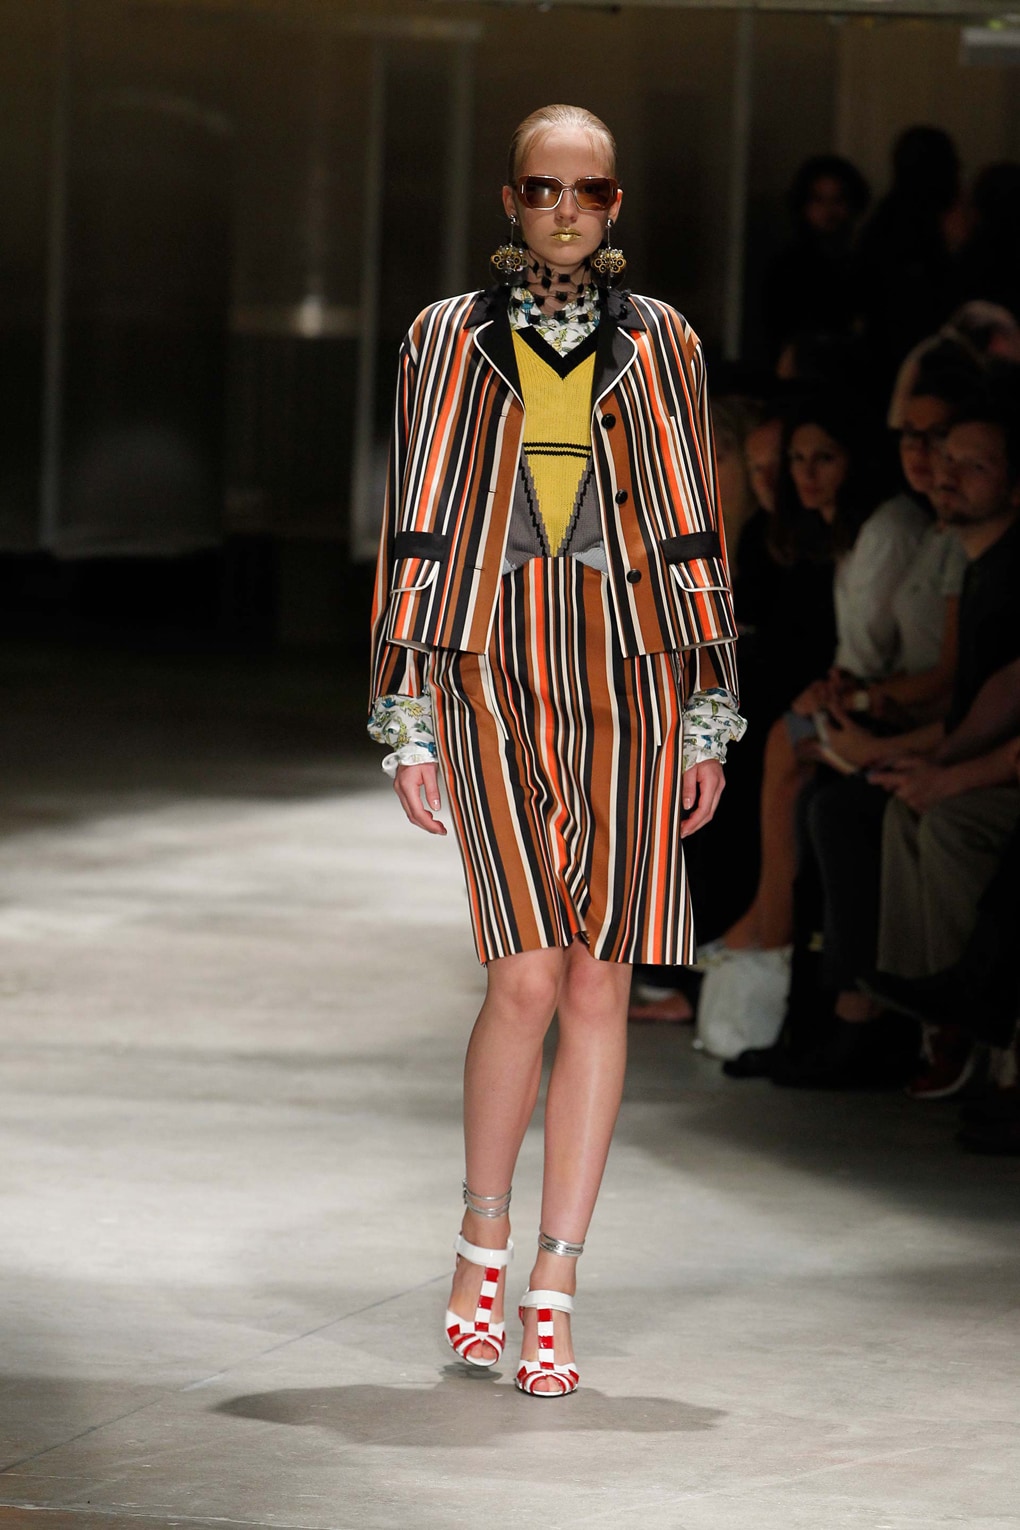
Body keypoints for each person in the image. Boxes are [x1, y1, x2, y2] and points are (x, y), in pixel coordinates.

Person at [368, 105, 744, 1397]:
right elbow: (417, 514)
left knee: (600, 982)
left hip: (631, 669)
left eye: (588, 190)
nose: (566, 210)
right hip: (488, 664)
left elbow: (692, 514)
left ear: (616, 203)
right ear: (511, 199)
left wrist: (709, 702)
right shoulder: (444, 335)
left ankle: (552, 1284)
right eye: (543, 188)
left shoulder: (666, 341)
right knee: (526, 974)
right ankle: (480, 1243)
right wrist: (406, 709)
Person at [762, 154, 871, 363]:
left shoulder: (862, 266)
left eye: (838, 200)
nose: (829, 211)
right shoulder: (787, 269)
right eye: (818, 200)